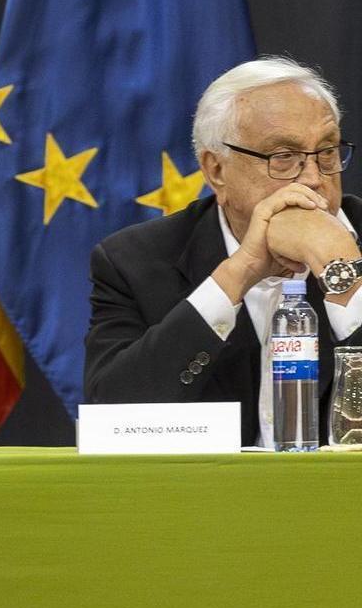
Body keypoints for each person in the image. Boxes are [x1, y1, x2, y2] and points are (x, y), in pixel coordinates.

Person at [85, 57, 362, 446]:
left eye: (327, 152)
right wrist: (238, 273)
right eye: (283, 157)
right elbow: (112, 416)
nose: (315, 179)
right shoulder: (135, 261)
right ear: (216, 170)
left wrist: (344, 275)